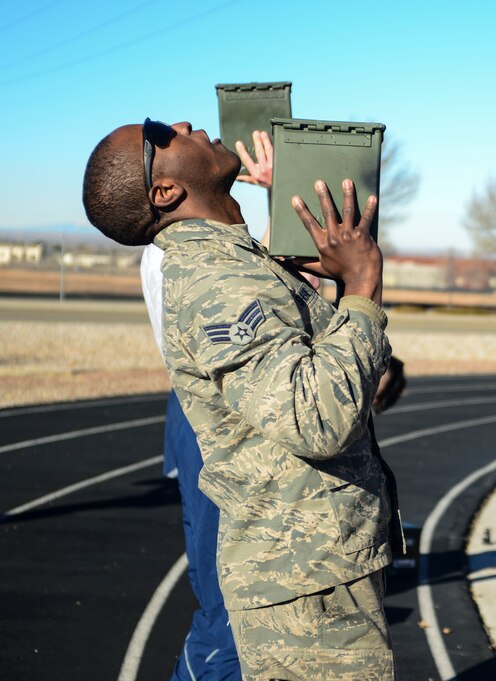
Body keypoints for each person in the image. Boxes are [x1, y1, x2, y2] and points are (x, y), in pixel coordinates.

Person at [83, 119, 398, 680]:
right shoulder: (216, 282)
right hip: (305, 578)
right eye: (163, 131)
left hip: (315, 567)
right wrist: (362, 290)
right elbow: (317, 418)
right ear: (165, 192)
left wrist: (345, 290)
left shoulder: (237, 263)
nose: (184, 124)